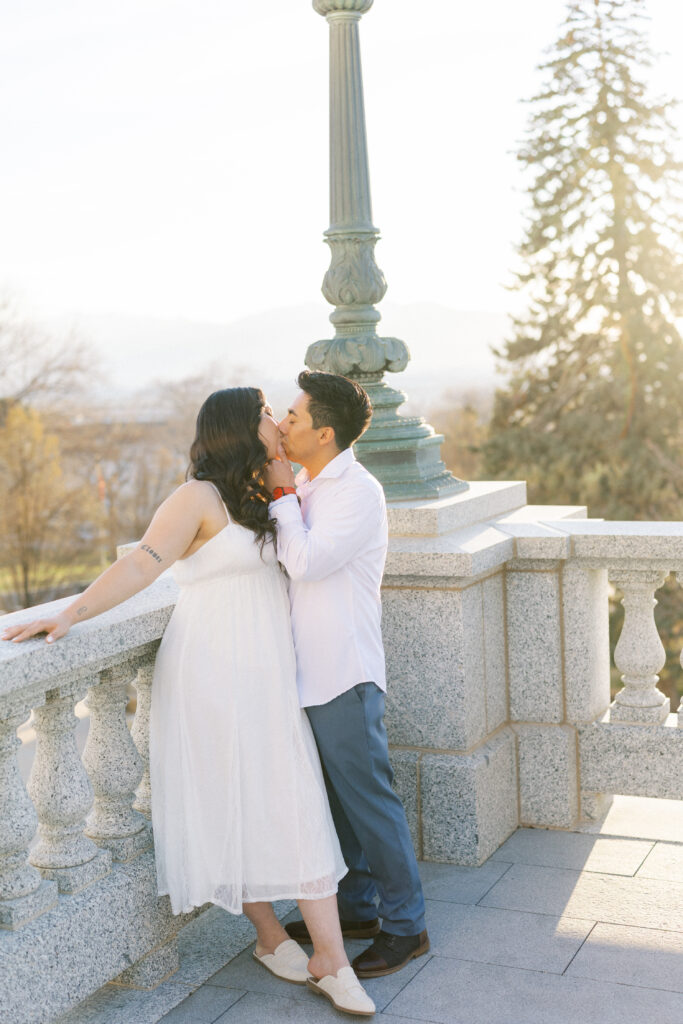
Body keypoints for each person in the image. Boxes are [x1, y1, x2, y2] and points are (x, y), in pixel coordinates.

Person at [1, 387, 374, 1018]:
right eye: (264, 414)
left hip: (271, 674)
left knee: (293, 798)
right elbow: (143, 565)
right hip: (207, 670)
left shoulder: (268, 491)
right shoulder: (196, 497)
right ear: (237, 426)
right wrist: (69, 612)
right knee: (224, 798)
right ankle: (271, 937)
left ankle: (330, 959)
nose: (277, 421)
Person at [265, 370, 430, 979]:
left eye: (294, 417)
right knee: (337, 805)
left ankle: (408, 927)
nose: (283, 424)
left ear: (324, 432)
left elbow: (305, 563)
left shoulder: (356, 491)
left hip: (345, 674)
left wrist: (282, 497)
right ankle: (357, 909)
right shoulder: (312, 482)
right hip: (310, 674)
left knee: (371, 804)